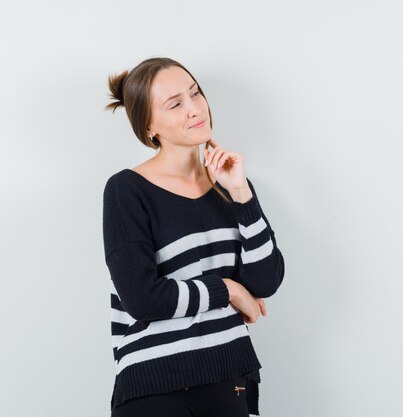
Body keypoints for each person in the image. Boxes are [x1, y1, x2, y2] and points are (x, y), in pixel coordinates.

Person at [102, 57, 285, 417]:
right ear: (149, 126)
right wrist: (228, 290)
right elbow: (142, 298)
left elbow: (265, 280)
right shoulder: (127, 189)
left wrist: (242, 196)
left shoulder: (232, 185)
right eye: (175, 103)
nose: (195, 109)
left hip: (228, 373)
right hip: (155, 384)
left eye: (195, 93)